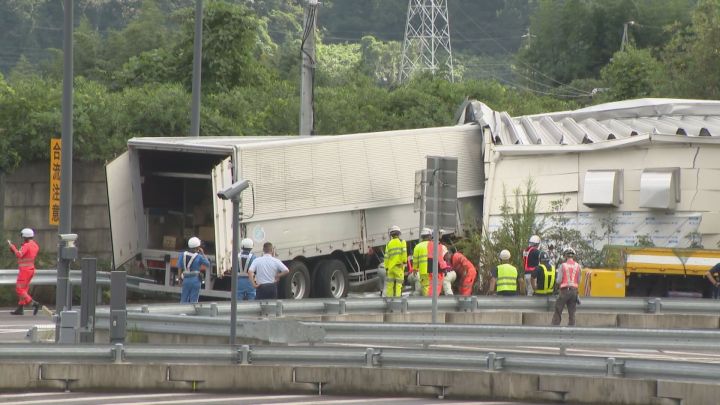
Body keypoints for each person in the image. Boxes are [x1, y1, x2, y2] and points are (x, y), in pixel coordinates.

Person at [7, 228, 40, 315]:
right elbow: (24, 256)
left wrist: (12, 247)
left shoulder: (26, 245)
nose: (22, 238)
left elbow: (19, 254)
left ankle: (33, 303)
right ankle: (20, 308)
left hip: (24, 270)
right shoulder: (35, 245)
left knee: (19, 289)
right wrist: (15, 251)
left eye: (22, 236)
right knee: (24, 289)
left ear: (25, 236)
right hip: (31, 269)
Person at [552, 247, 582, 326]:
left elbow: (558, 280)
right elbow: (579, 281)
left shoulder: (563, 266)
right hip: (574, 291)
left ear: (565, 255)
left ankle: (554, 328)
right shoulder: (578, 266)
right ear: (573, 256)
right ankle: (571, 330)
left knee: (558, 310)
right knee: (572, 313)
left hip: (565, 291)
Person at [179, 236, 210, 303]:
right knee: (194, 300)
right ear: (197, 247)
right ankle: (192, 312)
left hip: (186, 279)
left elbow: (179, 267)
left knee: (184, 298)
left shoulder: (183, 255)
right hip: (195, 280)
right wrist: (203, 253)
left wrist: (180, 278)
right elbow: (207, 264)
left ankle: (183, 312)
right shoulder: (199, 257)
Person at [384, 225, 408, 297]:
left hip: (390, 268)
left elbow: (386, 257)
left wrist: (386, 268)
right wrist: (404, 262)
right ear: (399, 233)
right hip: (398, 267)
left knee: (389, 286)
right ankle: (398, 300)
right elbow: (404, 253)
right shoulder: (402, 241)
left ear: (391, 234)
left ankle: (389, 301)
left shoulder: (388, 243)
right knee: (398, 285)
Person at [411, 228, 432, 296]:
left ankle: (429, 302)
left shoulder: (417, 247)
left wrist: (414, 269)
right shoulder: (433, 245)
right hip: (433, 270)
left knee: (425, 286)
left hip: (423, 271)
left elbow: (415, 260)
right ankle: (435, 301)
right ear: (429, 236)